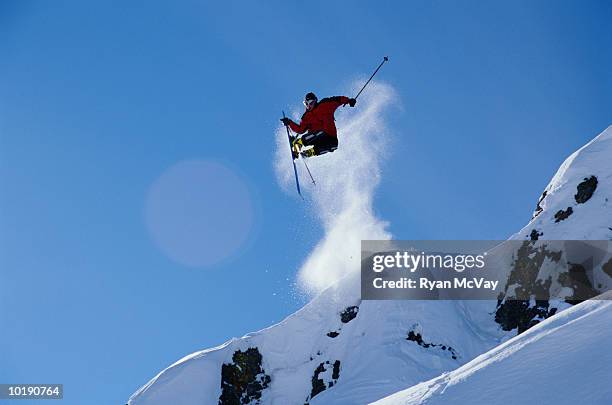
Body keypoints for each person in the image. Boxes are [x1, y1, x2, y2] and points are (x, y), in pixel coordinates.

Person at [281, 92, 356, 159]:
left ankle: (309, 153)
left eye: (311, 102)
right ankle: (299, 144)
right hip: (315, 137)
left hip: (330, 136)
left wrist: (349, 101)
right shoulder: (306, 116)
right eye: (306, 103)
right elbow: (300, 129)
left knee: (334, 145)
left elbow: (338, 100)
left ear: (315, 101)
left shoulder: (325, 105)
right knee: (321, 132)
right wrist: (289, 122)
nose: (309, 105)